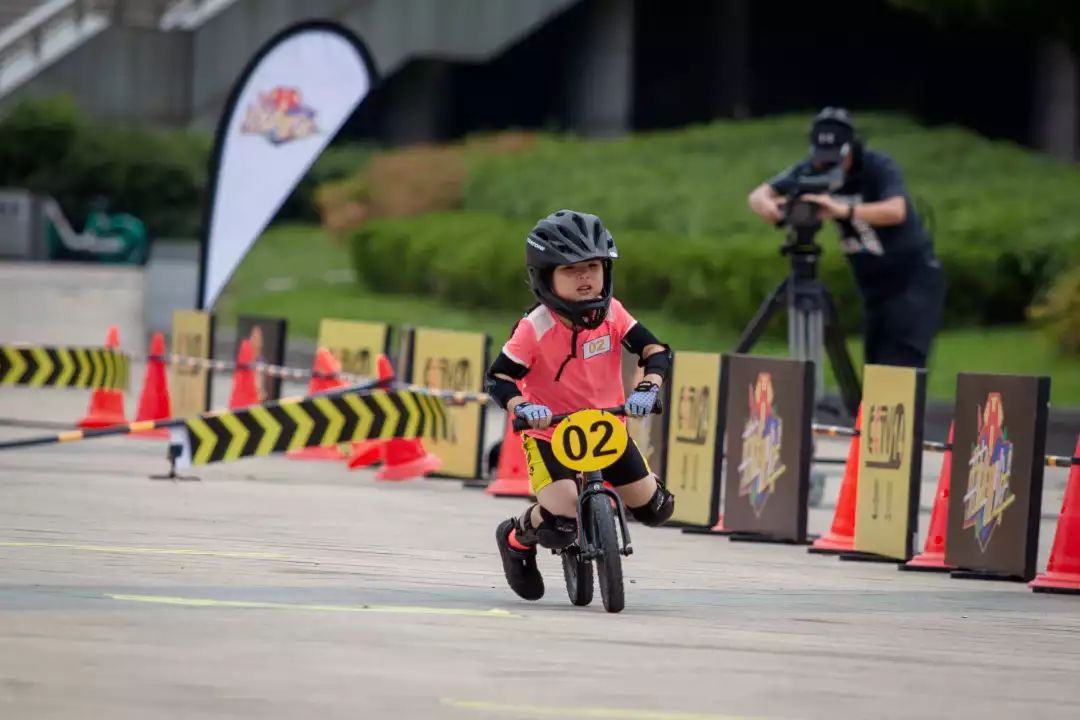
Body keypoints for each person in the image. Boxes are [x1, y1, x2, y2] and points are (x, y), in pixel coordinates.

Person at [484, 209, 676, 601]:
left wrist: (648, 387)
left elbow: (655, 350)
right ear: (546, 278)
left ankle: (604, 517)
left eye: (593, 266)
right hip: (549, 433)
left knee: (657, 508)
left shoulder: (613, 313)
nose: (586, 277)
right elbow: (498, 377)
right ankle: (516, 538)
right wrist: (521, 406)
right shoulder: (535, 327)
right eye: (571, 270)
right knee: (560, 523)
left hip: (608, 429)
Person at [747, 107, 945, 369]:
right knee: (875, 366)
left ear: (851, 148)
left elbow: (897, 210)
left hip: (911, 279)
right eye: (821, 159)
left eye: (834, 160)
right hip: (873, 287)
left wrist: (841, 209)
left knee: (899, 367)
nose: (827, 167)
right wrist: (773, 208)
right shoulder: (811, 169)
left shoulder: (877, 166)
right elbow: (758, 195)